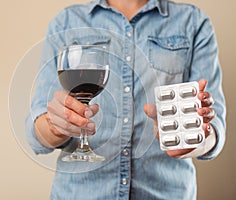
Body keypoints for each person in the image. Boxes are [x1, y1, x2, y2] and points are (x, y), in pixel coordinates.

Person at [25, 0, 226, 199]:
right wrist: (55, 126)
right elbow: (37, 136)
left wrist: (195, 139)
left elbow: (214, 126)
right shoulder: (66, 22)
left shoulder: (193, 22)